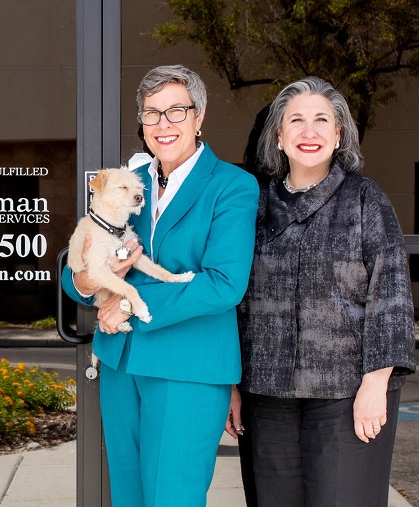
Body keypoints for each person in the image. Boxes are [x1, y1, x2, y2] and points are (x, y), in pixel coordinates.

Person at [62, 64, 259, 506]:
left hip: (187, 365)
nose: (163, 124)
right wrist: (84, 279)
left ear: (199, 115)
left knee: (173, 498)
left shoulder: (232, 185)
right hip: (120, 363)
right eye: (152, 114)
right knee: (128, 497)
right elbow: (79, 261)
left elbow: (225, 284)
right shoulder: (129, 183)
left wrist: (130, 305)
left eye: (176, 111)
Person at [232, 76, 415, 506]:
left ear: (338, 134)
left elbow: (391, 295)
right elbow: (235, 300)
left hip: (347, 394)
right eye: (296, 120)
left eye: (321, 120)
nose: (308, 131)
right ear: (278, 135)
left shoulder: (365, 198)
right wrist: (232, 386)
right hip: (266, 394)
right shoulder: (253, 204)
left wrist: (376, 383)